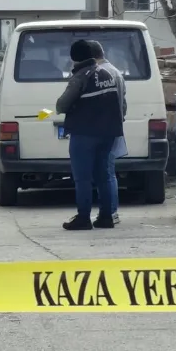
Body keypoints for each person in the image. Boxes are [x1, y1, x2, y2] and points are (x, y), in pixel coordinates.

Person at [56, 38, 127, 230]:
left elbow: (62, 105)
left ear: (74, 58)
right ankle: (106, 217)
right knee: (104, 175)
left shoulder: (81, 76)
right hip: (109, 133)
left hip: (84, 133)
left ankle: (83, 218)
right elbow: (121, 105)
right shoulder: (108, 74)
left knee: (83, 177)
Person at [87, 40, 126, 225]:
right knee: (108, 171)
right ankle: (111, 211)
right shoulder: (116, 72)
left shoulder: (100, 73)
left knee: (106, 172)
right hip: (114, 127)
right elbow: (123, 105)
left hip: (102, 129)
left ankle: (110, 212)